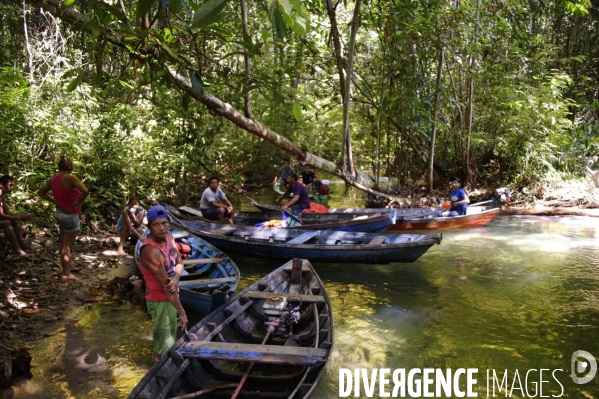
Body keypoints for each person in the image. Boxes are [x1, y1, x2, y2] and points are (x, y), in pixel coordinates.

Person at [138, 205, 188, 363]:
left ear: (169, 223)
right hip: (160, 300)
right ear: (150, 227)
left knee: (168, 341)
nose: (161, 228)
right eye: (156, 224)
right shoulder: (151, 251)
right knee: (162, 348)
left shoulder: (169, 238)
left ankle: (164, 366)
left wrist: (175, 279)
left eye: (164, 223)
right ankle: (160, 372)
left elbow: (180, 262)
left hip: (170, 298)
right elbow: (167, 289)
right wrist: (182, 312)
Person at [38, 155, 89, 280]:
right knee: (67, 245)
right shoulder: (70, 178)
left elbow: (41, 192)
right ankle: (66, 273)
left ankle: (68, 267)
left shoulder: (54, 179)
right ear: (71, 167)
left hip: (59, 214)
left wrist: (53, 201)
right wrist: (78, 202)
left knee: (63, 242)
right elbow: (85, 191)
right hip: (70, 216)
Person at [0, 175, 37, 256]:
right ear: (1, 184)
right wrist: (19, 217)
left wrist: (24, 215)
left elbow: (6, 211)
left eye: (13, 185)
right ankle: (18, 250)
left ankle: (21, 242)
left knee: (12, 220)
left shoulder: (2, 195)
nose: (12, 188)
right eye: (10, 185)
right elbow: (1, 216)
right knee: (7, 223)